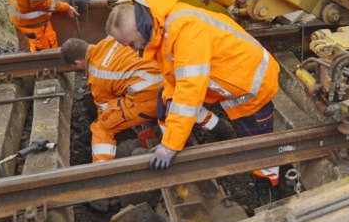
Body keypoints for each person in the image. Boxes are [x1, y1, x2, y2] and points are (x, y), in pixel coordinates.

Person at [106, 0, 282, 205]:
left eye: (132, 43)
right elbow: (174, 77)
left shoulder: (184, 30)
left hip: (253, 85)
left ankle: (269, 187)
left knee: (259, 143)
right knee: (169, 100)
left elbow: (190, 90)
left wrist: (171, 145)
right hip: (232, 83)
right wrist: (170, 102)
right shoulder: (160, 29)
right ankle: (224, 132)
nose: (134, 51)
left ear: (139, 27)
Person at [61, 36, 235, 162]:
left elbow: (106, 110)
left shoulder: (98, 75)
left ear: (78, 63)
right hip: (171, 80)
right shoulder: (111, 40)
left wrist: (100, 124)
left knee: (101, 127)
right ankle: (220, 128)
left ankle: (103, 174)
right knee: (182, 104)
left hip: (150, 97)